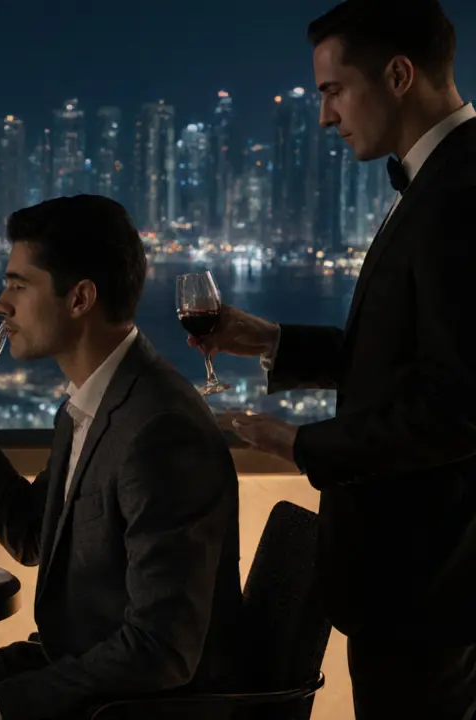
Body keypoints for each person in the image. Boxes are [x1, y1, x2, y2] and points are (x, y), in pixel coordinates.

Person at [0, 196, 241, 720]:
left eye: (17, 284)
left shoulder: (161, 428)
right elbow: (36, 536)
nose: (1, 304)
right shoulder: (92, 402)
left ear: (79, 298)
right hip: (75, 660)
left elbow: (161, 650)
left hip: (130, 702)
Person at [200, 1, 476, 716]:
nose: (325, 116)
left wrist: (301, 443)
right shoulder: (439, 178)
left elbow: (458, 404)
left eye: (332, 90)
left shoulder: (461, 192)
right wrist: (273, 342)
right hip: (415, 584)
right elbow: (411, 361)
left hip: (431, 583)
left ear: (398, 75)